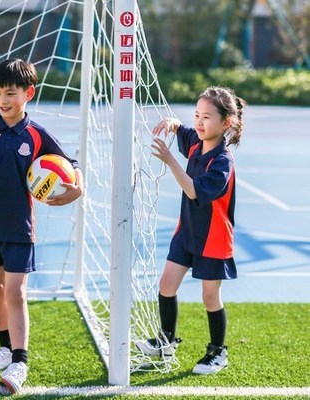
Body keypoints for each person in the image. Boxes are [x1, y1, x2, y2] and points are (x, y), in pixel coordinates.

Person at [0, 58, 83, 394]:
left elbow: (70, 165)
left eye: (10, 93)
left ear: (29, 93)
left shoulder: (37, 135)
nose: (2, 100)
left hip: (20, 229)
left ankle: (20, 360)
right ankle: (3, 347)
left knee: (16, 292)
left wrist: (77, 188)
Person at [136, 86, 246, 375]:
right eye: (197, 114)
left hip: (213, 238)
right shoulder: (196, 142)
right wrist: (173, 124)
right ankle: (166, 340)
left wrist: (170, 160)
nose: (199, 122)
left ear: (226, 123)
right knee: (166, 285)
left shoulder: (222, 162)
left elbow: (195, 191)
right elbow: (183, 130)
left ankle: (217, 353)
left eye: (207, 117)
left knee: (210, 296)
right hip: (187, 232)